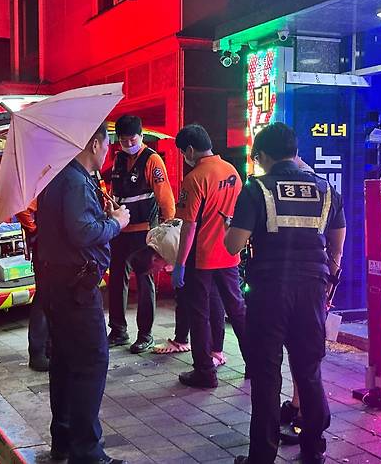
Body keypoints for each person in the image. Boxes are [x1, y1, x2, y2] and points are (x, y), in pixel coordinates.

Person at [225, 122, 346, 464]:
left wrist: (229, 228)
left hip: (269, 292)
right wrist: (330, 275)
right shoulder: (325, 189)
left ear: (262, 156)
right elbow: (337, 241)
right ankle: (313, 449)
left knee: (266, 375)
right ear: (295, 153)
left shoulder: (257, 189)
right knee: (308, 370)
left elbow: (233, 245)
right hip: (311, 290)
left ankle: (262, 457)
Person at [35, 122, 130, 464]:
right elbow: (81, 232)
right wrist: (115, 223)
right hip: (75, 287)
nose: (109, 151)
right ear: (93, 144)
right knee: (91, 361)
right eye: (107, 144)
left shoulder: (61, 177)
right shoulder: (74, 181)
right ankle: (87, 452)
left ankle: (63, 440)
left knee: (64, 361)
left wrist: (102, 216)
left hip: (57, 284)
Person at [172, 124, 248, 389]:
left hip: (202, 257)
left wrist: (179, 264)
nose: (185, 157)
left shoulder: (194, 178)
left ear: (190, 150)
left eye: (183, 152)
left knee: (199, 313)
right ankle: (254, 364)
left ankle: (205, 372)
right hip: (229, 253)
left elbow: (189, 225)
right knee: (237, 309)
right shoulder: (232, 172)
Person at [107, 115, 176, 354]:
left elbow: (165, 198)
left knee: (146, 283)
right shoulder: (118, 160)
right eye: (123, 140)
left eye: (132, 139)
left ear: (141, 136)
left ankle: (145, 334)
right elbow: (114, 193)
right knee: (117, 280)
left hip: (145, 234)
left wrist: (167, 231)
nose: (128, 144)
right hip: (119, 231)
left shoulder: (152, 160)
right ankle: (118, 331)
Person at [129, 220, 227, 367]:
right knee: (182, 295)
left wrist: (180, 269)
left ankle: (217, 351)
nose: (157, 272)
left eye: (153, 270)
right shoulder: (151, 239)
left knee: (212, 301)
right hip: (190, 251)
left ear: (154, 259)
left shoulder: (170, 250)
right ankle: (181, 341)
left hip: (209, 252)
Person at [16, 198, 51, 372]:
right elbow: (22, 208)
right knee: (44, 297)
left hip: (51, 246)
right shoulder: (39, 188)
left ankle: (48, 348)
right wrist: (34, 229)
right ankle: (38, 351)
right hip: (45, 247)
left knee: (51, 297)